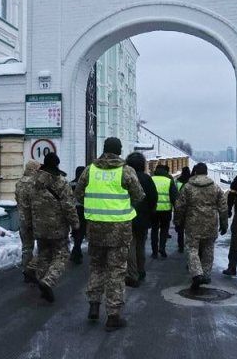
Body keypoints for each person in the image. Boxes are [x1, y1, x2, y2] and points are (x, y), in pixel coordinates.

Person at [74, 137, 145, 332]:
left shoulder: (90, 170)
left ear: (104, 150)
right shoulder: (126, 171)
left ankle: (94, 305)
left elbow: (78, 194)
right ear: (119, 151)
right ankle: (113, 315)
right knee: (116, 271)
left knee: (96, 267)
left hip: (95, 228)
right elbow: (139, 196)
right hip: (119, 230)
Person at [30, 152, 79, 303]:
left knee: (44, 255)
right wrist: (75, 224)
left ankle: (42, 281)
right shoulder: (61, 183)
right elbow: (69, 207)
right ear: (57, 165)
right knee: (62, 255)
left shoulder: (33, 181)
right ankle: (48, 281)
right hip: (57, 228)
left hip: (39, 227)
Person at [175, 163, 228, 292]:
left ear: (195, 172)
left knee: (192, 249)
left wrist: (177, 221)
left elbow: (179, 206)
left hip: (193, 224)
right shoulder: (215, 187)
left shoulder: (187, 187)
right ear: (206, 173)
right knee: (208, 249)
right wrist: (224, 223)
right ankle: (206, 275)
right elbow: (223, 207)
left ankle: (197, 273)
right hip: (211, 223)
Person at [125, 152, 157, 286]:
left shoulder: (125, 177)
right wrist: (150, 213)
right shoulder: (147, 178)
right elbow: (153, 198)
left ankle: (132, 273)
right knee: (141, 245)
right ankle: (141, 270)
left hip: (127, 215)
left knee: (130, 245)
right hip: (143, 217)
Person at [15, 159, 41, 283]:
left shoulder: (19, 183)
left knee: (26, 247)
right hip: (35, 219)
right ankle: (34, 270)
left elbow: (17, 199)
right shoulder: (35, 183)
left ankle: (26, 271)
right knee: (43, 246)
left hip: (22, 220)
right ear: (34, 169)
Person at [150, 164, 179, 258]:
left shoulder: (151, 179)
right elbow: (174, 197)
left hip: (153, 210)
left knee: (154, 230)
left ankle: (154, 252)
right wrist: (177, 211)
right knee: (164, 230)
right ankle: (162, 247)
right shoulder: (169, 181)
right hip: (166, 210)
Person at [69, 166, 87, 264]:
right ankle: (76, 250)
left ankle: (76, 251)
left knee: (76, 231)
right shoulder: (86, 185)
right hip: (83, 209)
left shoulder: (70, 183)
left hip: (73, 209)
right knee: (81, 230)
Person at [175, 166, 191, 253]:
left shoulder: (178, 181)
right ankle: (189, 245)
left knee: (180, 229)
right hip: (190, 209)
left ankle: (180, 246)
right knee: (189, 229)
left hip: (180, 207)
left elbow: (175, 193)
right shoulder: (191, 181)